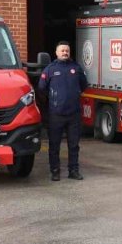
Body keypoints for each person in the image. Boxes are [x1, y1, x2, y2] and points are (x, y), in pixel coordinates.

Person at [38, 41, 88, 181]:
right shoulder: (50, 69)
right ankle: (55, 171)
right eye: (62, 50)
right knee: (54, 145)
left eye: (67, 50)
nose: (65, 52)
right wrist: (54, 98)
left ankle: (74, 171)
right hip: (56, 114)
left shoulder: (76, 68)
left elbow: (83, 85)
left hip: (74, 114)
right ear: (56, 53)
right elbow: (41, 88)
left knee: (74, 145)